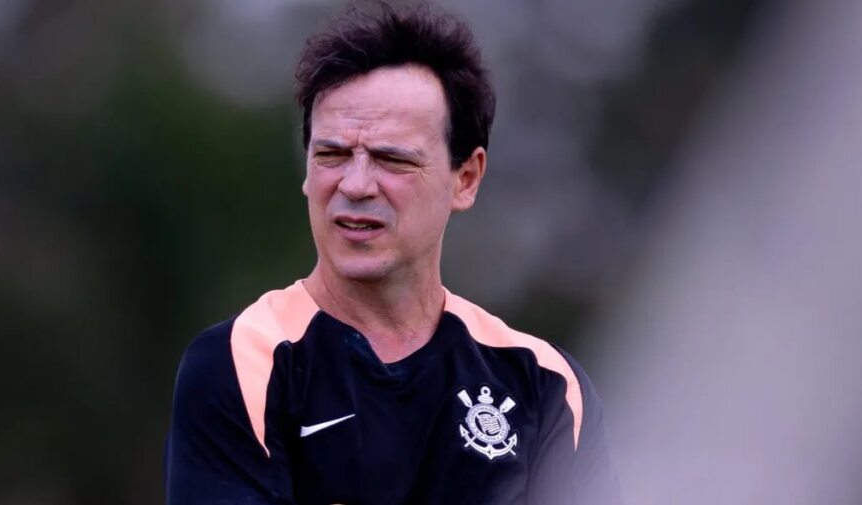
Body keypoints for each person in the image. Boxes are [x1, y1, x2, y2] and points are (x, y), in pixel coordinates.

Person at [165, 3, 620, 504]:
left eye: (391, 159)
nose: (355, 185)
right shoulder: (242, 364)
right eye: (332, 155)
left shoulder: (548, 387)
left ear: (466, 178)